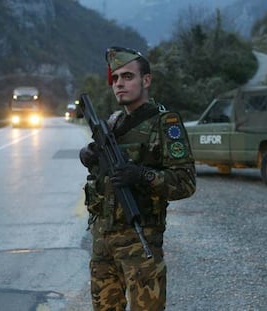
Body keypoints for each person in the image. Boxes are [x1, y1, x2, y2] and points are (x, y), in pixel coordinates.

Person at [79, 46, 196, 311]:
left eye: (128, 77)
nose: (120, 84)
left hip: (139, 241)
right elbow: (99, 170)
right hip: (102, 241)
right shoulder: (111, 122)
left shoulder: (165, 124)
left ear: (146, 80)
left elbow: (186, 183)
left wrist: (141, 175)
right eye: (116, 78)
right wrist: (88, 155)